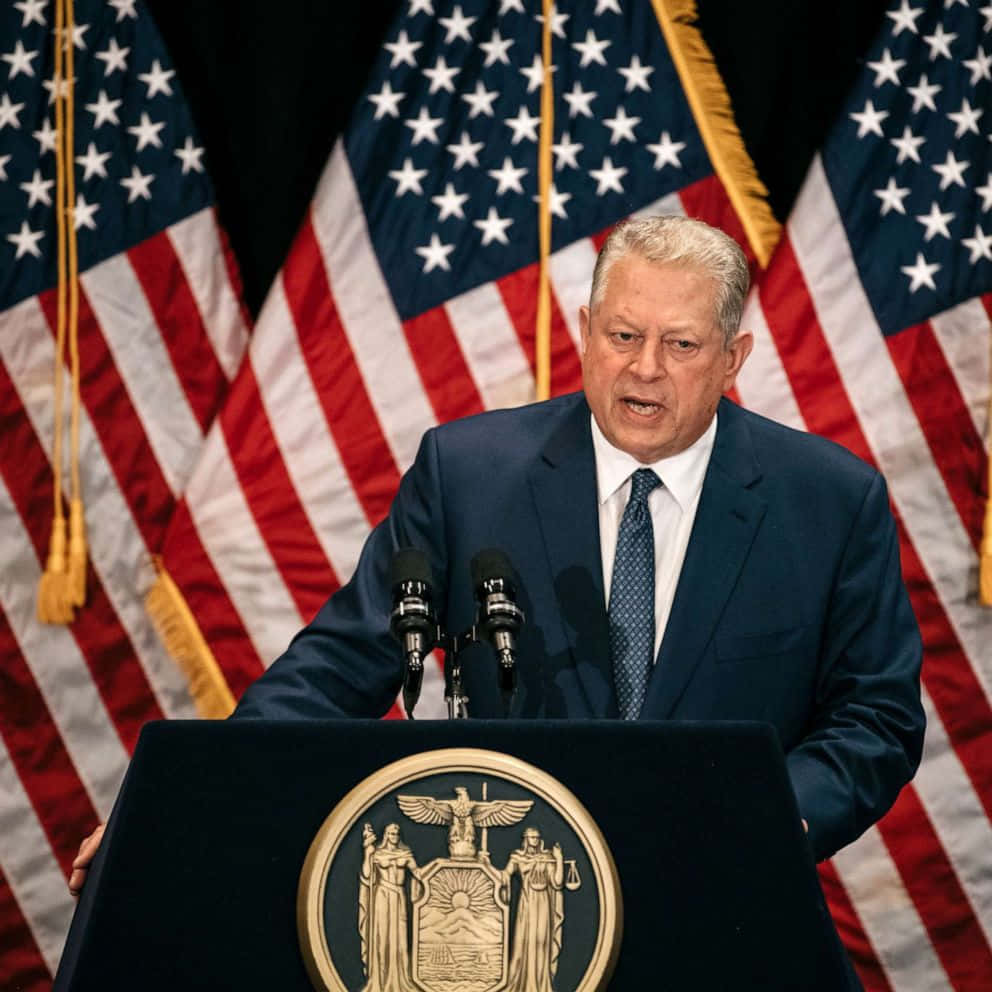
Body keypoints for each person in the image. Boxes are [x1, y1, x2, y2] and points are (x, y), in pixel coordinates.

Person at [70, 215, 924, 889]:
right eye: (623, 336)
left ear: (734, 359)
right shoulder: (468, 474)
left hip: (727, 895)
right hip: (511, 900)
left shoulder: (829, 501)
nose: (646, 370)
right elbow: (338, 666)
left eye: (682, 344)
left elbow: (874, 719)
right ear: (585, 331)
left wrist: (761, 817)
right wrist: (180, 810)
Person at [501, 827, 565, 992]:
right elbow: (505, 874)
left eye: (537, 837)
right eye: (532, 837)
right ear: (525, 839)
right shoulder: (517, 858)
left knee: (541, 941)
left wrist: (559, 859)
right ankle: (521, 983)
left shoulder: (546, 858)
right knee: (523, 941)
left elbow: (557, 883)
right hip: (527, 903)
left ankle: (539, 985)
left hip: (543, 903)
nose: (535, 840)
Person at [358, 822, 421, 992]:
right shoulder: (377, 854)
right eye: (391, 833)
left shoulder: (405, 854)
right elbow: (367, 875)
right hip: (382, 895)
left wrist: (437, 867)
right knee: (382, 936)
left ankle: (400, 979)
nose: (394, 836)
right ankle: (380, 980)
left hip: (399, 896)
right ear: (386, 835)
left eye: (397, 833)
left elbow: (419, 873)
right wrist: (367, 853)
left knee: (400, 938)